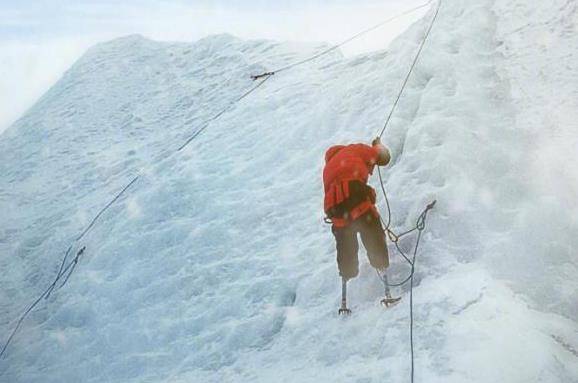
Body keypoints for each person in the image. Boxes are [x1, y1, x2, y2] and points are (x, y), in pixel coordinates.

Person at [323, 137, 393, 313]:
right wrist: (377, 144)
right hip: (354, 191)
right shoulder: (354, 150)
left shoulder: (328, 169)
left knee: (345, 241)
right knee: (371, 229)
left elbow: (334, 194)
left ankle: (346, 288)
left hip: (333, 206)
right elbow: (383, 157)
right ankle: (382, 270)